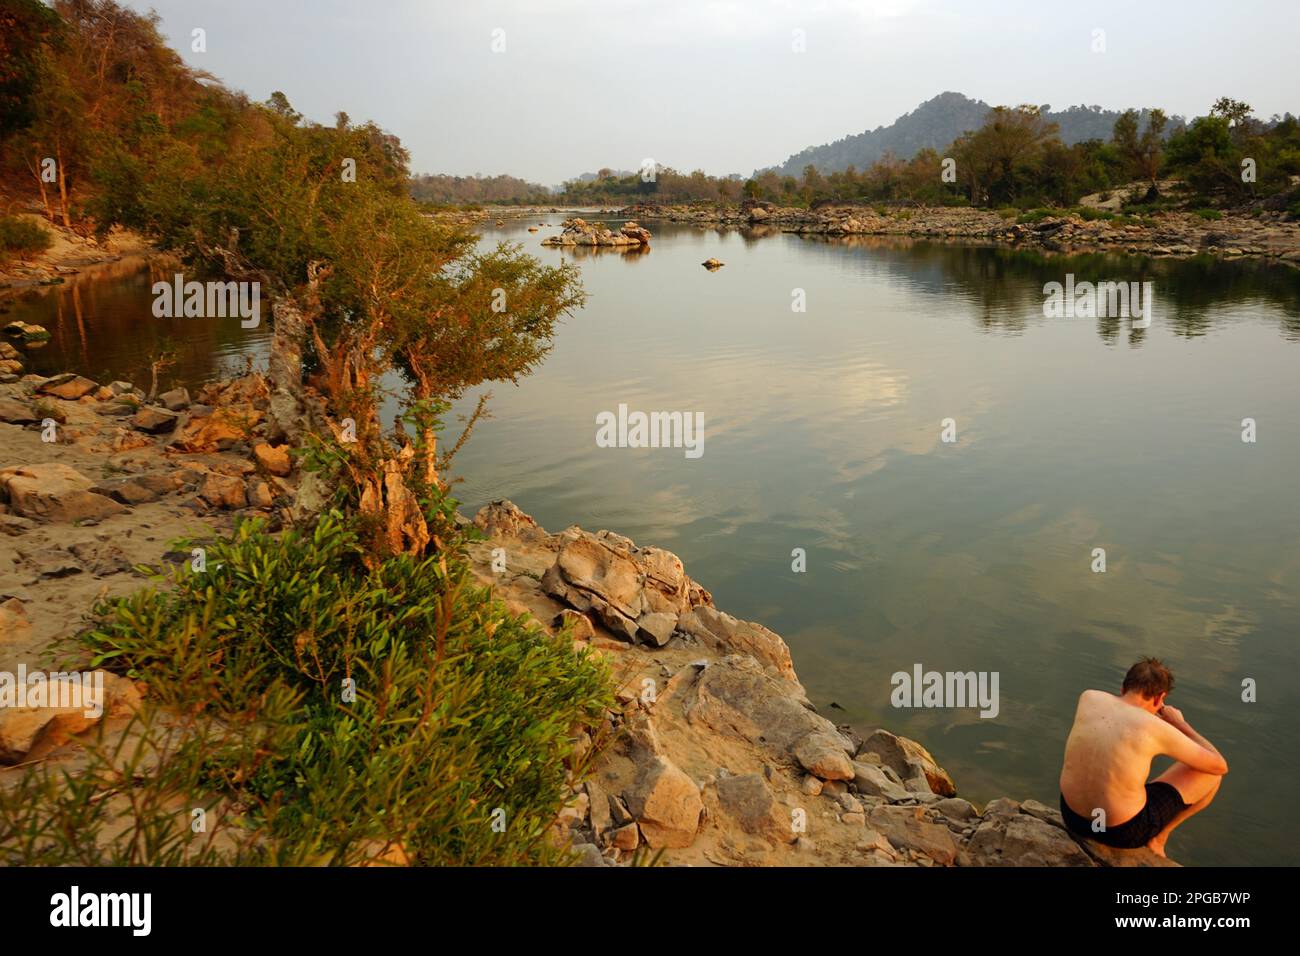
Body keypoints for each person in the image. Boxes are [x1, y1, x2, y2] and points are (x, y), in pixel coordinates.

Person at [1059, 658, 1228, 857]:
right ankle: (1158, 839)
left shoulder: (1089, 698)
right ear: (1159, 699)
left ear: (1123, 688)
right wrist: (1181, 725)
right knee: (1211, 775)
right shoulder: (1155, 727)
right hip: (1121, 833)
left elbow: (1119, 721)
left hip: (1073, 818)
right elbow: (1219, 765)